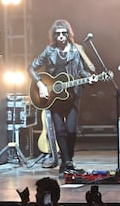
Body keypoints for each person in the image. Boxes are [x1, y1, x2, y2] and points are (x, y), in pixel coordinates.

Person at [28, 19, 96, 173]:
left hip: (72, 95)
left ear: (68, 34)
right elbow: (31, 67)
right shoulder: (49, 51)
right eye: (57, 33)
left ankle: (68, 159)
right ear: (54, 35)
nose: (61, 36)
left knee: (71, 130)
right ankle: (66, 162)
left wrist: (90, 78)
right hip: (53, 96)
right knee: (60, 130)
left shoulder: (76, 50)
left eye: (63, 33)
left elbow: (81, 70)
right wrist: (40, 84)